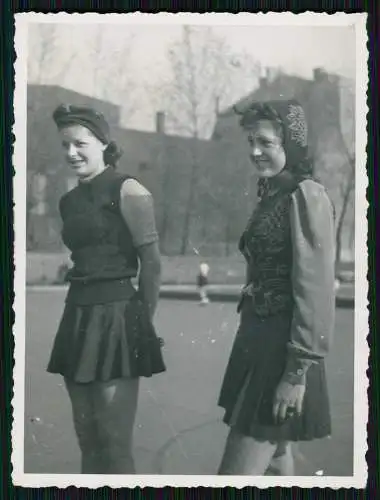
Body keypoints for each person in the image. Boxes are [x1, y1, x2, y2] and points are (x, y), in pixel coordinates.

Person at [217, 99, 336, 475]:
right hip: (257, 340)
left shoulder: (306, 195)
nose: (255, 151)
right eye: (251, 141)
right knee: (277, 463)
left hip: (281, 352)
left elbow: (316, 291)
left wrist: (295, 374)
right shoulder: (273, 194)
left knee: (234, 477)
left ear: (291, 144)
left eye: (266, 142)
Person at [47, 104, 166, 474]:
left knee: (115, 444)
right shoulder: (68, 201)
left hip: (118, 318)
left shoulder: (129, 189)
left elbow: (153, 264)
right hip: (77, 316)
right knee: (88, 438)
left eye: (80, 143)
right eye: (65, 145)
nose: (71, 153)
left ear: (102, 143)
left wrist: (142, 324)